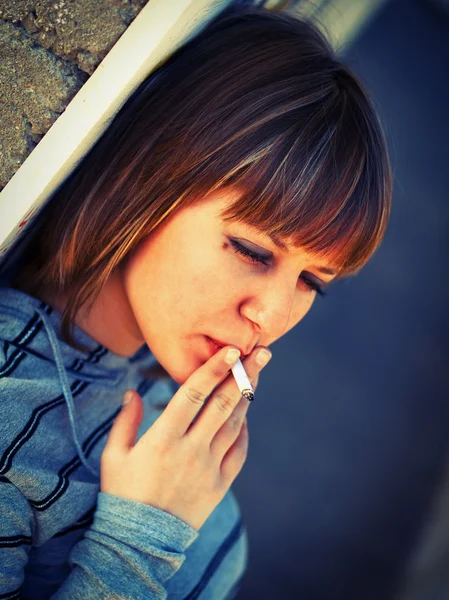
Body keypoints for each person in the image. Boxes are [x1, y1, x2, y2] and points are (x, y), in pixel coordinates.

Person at [0, 4, 392, 599]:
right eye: (252, 250)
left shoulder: (151, 376)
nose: (273, 316)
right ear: (148, 181)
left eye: (312, 281)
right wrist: (139, 541)